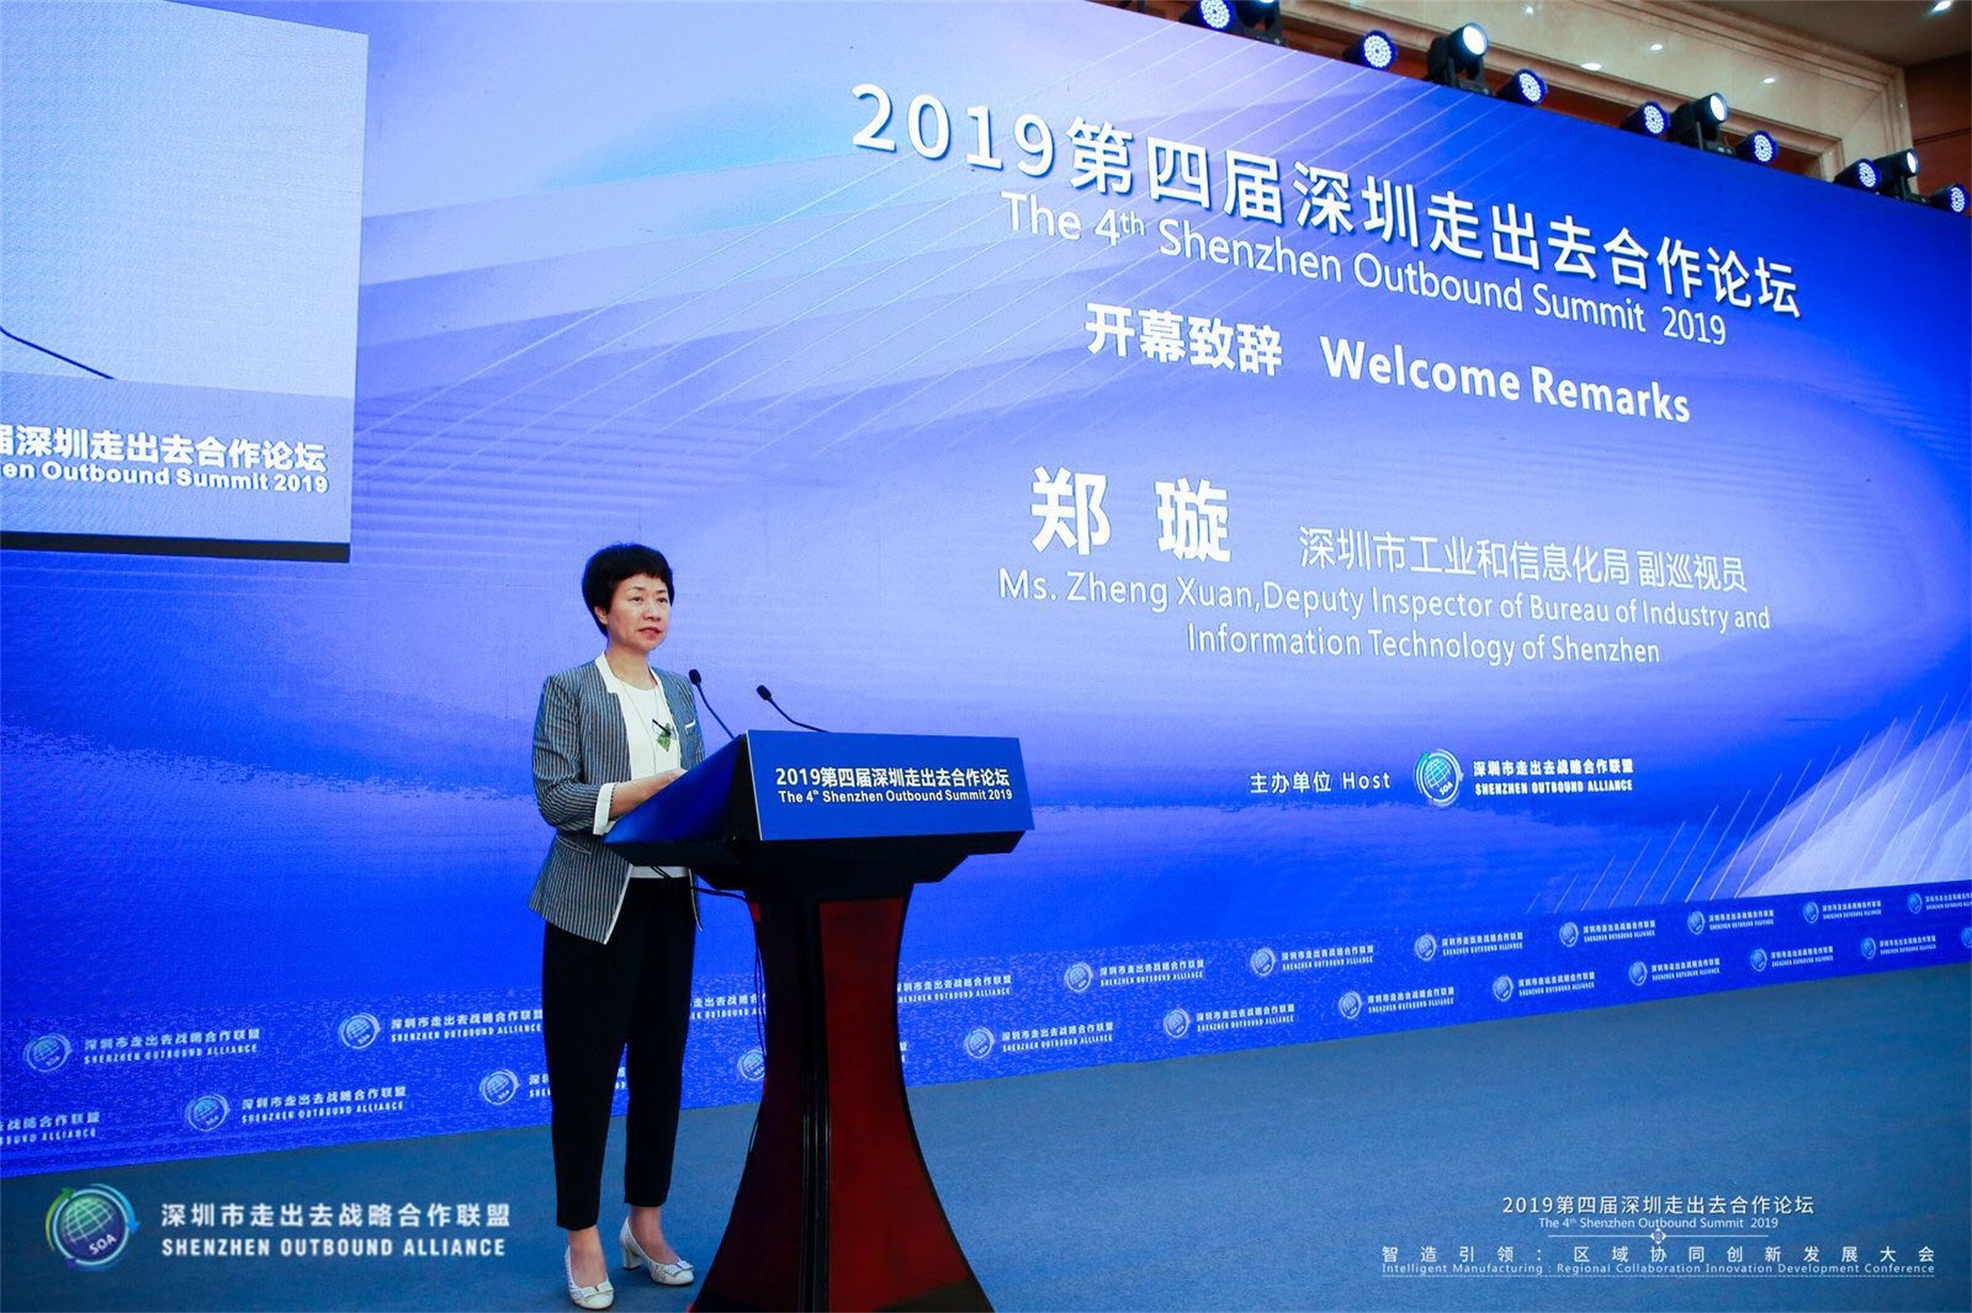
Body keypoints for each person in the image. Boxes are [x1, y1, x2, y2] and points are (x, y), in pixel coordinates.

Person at [530, 543, 705, 1310]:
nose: (653, 609)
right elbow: (556, 798)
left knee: (661, 1071)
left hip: (670, 903)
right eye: (637, 595)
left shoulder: (682, 693)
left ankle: (645, 1222)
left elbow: (699, 793)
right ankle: (583, 1235)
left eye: (662, 596)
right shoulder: (570, 689)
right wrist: (639, 792)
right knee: (584, 1077)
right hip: (593, 909)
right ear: (602, 609)